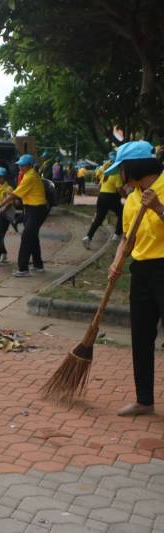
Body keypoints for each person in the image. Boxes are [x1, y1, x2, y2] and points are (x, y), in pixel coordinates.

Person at [106, 141, 163, 417]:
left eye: (122, 169)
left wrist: (159, 208)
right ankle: (144, 400)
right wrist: (117, 261)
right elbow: (128, 238)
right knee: (141, 336)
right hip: (141, 271)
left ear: (136, 166)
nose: (120, 176)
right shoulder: (131, 199)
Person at [0, 154, 48, 277]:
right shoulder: (28, 174)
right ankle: (38, 265)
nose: (20, 167)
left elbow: (15, 194)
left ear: (30, 165)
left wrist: (1, 204)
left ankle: (23, 269)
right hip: (32, 209)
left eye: (23, 165)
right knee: (32, 237)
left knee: (26, 237)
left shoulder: (30, 176)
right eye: (19, 165)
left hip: (36, 209)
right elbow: (19, 193)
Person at [83, 160, 126, 249]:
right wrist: (126, 196)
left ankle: (88, 237)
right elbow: (119, 189)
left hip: (102, 196)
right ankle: (117, 234)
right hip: (111, 197)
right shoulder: (116, 175)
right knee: (122, 212)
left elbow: (100, 186)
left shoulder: (105, 174)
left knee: (99, 218)